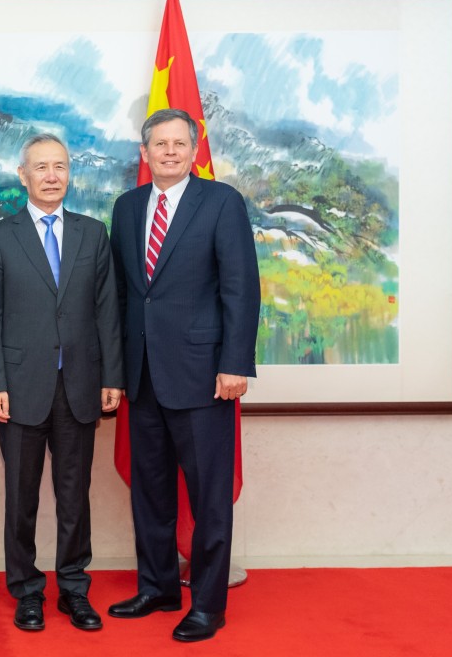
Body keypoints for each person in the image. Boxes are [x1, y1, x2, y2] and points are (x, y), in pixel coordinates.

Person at [108, 108, 261, 642]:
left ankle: (208, 605)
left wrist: (235, 363)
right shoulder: (126, 208)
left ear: (193, 150)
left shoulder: (221, 203)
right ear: (144, 153)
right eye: (159, 144)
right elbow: (124, 296)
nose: (169, 152)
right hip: (142, 375)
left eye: (179, 143)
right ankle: (157, 587)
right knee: (150, 492)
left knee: (208, 497)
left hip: (203, 376)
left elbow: (241, 289)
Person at [0, 134, 124, 632]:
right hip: (17, 389)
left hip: (80, 386)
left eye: (60, 166)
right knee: (22, 498)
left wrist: (112, 377)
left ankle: (74, 588)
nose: (52, 175)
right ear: (23, 175)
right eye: (42, 167)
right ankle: (27, 590)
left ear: (69, 173)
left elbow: (108, 311)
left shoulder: (91, 233)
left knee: (74, 495)